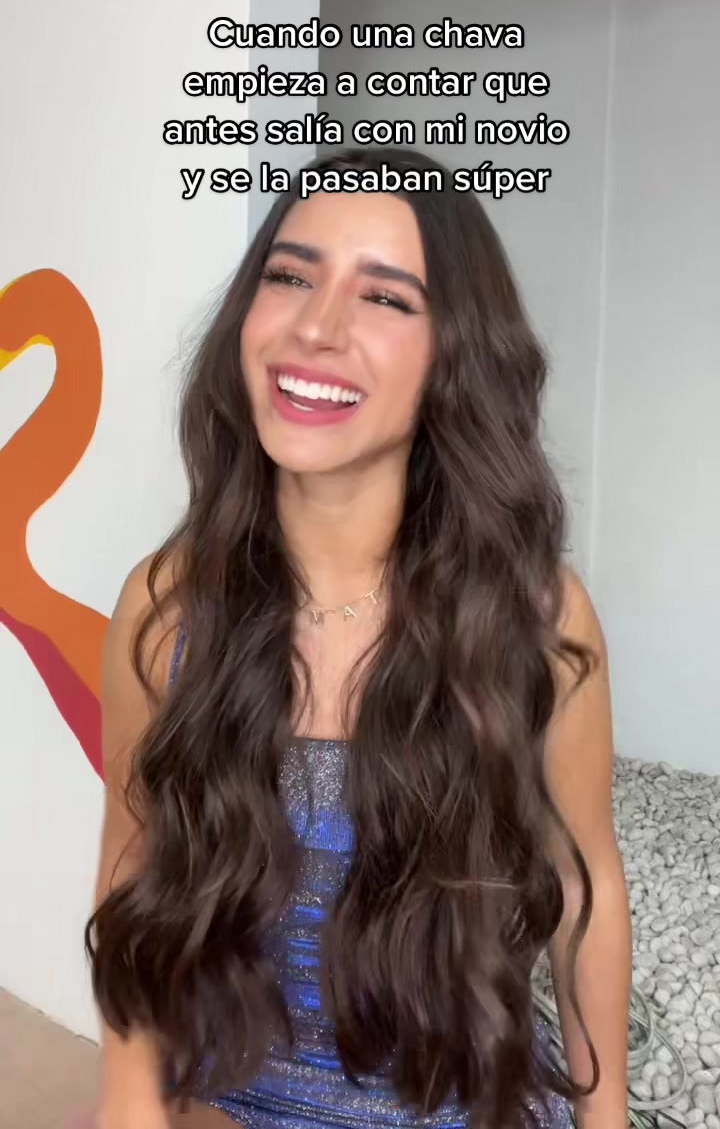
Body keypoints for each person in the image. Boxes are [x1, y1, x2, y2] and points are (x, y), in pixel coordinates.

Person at [86, 147, 632, 1129]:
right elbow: (134, 866)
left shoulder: (538, 616)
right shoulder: (166, 608)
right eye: (290, 276)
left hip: (458, 1099)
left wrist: (609, 1116)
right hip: (227, 1092)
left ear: (455, 353)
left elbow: (579, 878)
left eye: (384, 298)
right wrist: (130, 1107)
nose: (316, 326)